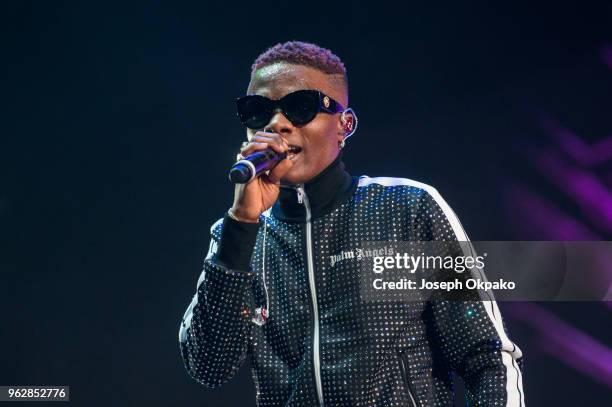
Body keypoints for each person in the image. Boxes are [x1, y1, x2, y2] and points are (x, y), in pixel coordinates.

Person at [179, 41, 525, 406]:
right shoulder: (237, 236)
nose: (276, 123)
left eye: (300, 107)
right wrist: (242, 224)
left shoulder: (407, 209)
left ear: (345, 125)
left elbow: (487, 357)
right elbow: (208, 366)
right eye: (257, 110)